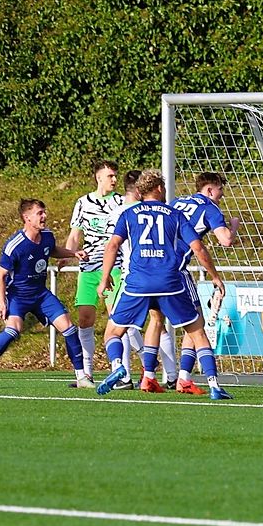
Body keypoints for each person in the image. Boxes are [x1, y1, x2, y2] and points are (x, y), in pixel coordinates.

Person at [94, 170, 231, 399]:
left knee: (113, 333)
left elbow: (112, 246)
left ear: (140, 191)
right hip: (170, 281)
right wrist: (215, 276)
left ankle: (119, 365)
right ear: (158, 188)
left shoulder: (128, 214)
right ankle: (214, 385)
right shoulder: (174, 214)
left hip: (137, 282)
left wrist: (105, 277)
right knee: (197, 332)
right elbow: (198, 247)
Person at [0, 199, 89, 387]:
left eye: (44, 212)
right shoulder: (15, 245)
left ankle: (81, 377)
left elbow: (52, 250)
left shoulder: (47, 235)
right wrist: (2, 304)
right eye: (39, 213)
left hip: (40, 294)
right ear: (27, 218)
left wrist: (73, 254)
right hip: (18, 295)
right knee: (12, 331)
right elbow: (0, 276)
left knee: (69, 327)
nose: (44, 216)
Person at [164, 171, 240, 395]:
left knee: (164, 324)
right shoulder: (210, 207)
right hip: (176, 269)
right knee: (197, 323)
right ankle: (211, 383)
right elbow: (225, 240)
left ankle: (170, 378)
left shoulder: (176, 202)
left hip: (152, 267)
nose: (222, 195)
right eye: (220, 190)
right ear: (209, 190)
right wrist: (233, 225)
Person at [101, 169, 175, 391]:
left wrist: (104, 277)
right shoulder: (166, 212)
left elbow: (111, 245)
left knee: (118, 327)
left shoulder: (120, 213)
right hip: (162, 274)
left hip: (132, 276)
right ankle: (170, 374)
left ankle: (122, 371)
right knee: (162, 323)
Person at [63, 159, 124, 384]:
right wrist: (68, 254)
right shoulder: (83, 202)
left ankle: (120, 371)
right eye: (110, 176)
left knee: (116, 317)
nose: (115, 180)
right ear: (99, 178)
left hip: (114, 265)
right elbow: (75, 234)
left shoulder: (120, 202)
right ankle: (86, 373)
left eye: (116, 176)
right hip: (88, 268)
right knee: (85, 318)